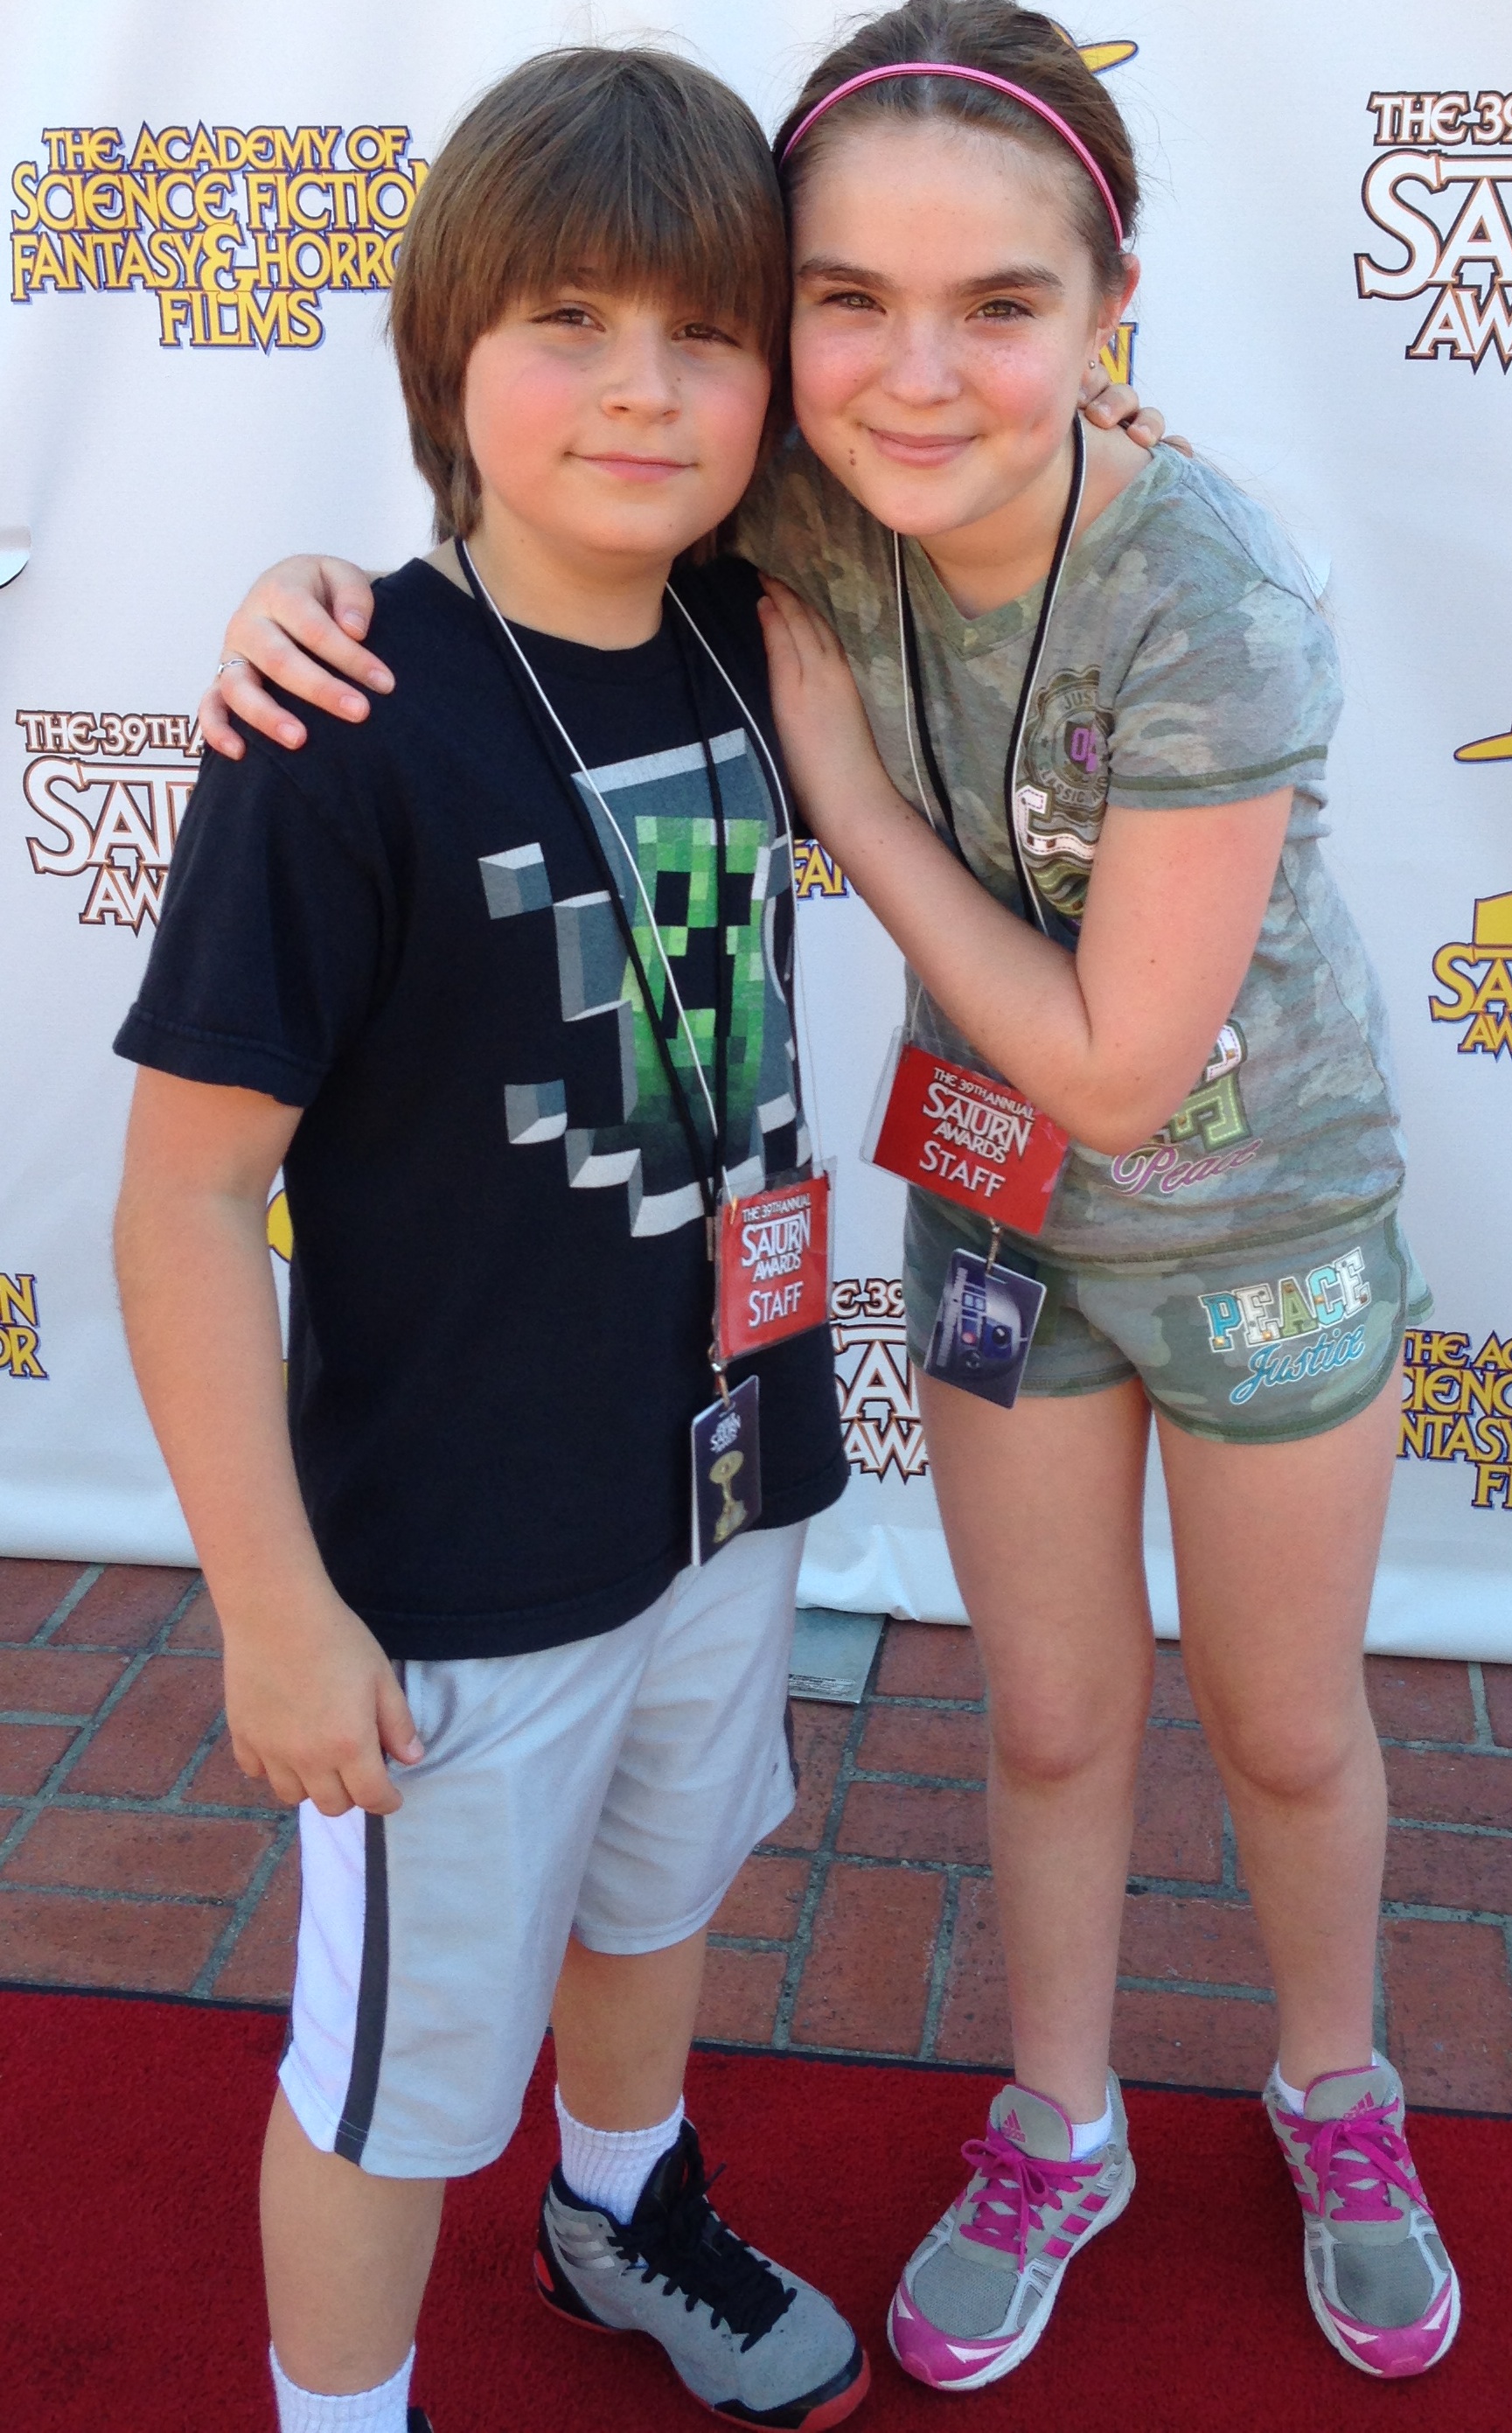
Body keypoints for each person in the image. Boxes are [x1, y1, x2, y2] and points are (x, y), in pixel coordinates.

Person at [198, 0, 1460, 2396]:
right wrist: (294, 589)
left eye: (1000, 305)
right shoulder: (780, 506)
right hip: (990, 1243)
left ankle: (1337, 2088)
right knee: (1054, 1718)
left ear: (1107, 321)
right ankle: (1057, 2122)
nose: (908, 371)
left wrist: (851, 808)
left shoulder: (1208, 591)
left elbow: (1109, 1064)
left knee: (1285, 1731)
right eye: (844, 304)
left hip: (1253, 1229)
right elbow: (527, 517)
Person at [113, 49, 870, 2433]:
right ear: (449, 349)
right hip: (447, 1565)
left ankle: (618, 2200)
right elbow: (183, 1201)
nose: (643, 390)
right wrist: (272, 1605)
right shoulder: (334, 722)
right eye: (566, 319)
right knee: (391, 2073)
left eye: (707, 330)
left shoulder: (770, 631)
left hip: (724, 1476)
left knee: (656, 1896)